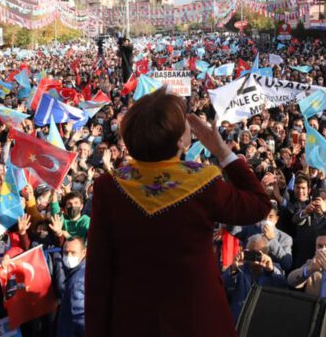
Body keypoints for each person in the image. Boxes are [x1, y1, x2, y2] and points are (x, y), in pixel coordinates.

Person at [85, 88, 272, 337]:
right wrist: (222, 151)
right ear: (180, 141)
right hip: (199, 320)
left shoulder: (108, 187)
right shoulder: (205, 183)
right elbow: (259, 204)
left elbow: (98, 272)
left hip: (132, 320)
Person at [221, 234, 286, 321]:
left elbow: (283, 287)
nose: (254, 257)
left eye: (258, 253)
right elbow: (223, 283)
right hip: (239, 320)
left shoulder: (274, 267)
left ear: (266, 253)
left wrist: (271, 270)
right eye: (251, 252)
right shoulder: (240, 266)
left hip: (262, 320)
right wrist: (233, 269)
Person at [53, 237, 87, 337]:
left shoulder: (76, 282)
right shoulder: (83, 271)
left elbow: (80, 319)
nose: (68, 256)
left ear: (83, 252)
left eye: (73, 252)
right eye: (66, 252)